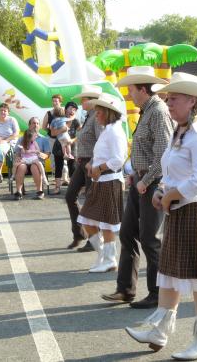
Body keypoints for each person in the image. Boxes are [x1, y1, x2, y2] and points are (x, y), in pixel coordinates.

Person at [125, 73, 197, 360]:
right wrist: (162, 189)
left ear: (192, 101)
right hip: (179, 210)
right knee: (170, 275)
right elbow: (172, 170)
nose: (168, 102)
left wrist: (171, 195)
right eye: (168, 97)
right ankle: (158, 331)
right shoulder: (180, 132)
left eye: (174, 98)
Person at [102, 66, 173, 309]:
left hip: (151, 181)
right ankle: (125, 289)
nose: (129, 94)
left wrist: (145, 179)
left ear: (143, 89)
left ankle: (158, 292)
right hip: (141, 179)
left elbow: (164, 153)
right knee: (128, 233)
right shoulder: (147, 110)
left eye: (131, 90)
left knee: (149, 238)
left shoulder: (158, 112)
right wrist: (136, 175)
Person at [77, 93, 127, 273]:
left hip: (110, 181)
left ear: (107, 112)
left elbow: (118, 159)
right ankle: (103, 256)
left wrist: (99, 168)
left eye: (99, 111)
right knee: (87, 219)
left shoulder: (115, 131)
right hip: (102, 181)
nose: (96, 114)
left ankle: (109, 259)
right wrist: (92, 163)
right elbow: (102, 154)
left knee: (106, 224)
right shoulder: (108, 129)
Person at [65, 85, 104, 250]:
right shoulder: (89, 116)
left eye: (85, 99)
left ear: (93, 100)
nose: (82, 102)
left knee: (90, 201)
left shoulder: (97, 117)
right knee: (70, 196)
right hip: (82, 162)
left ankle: (94, 238)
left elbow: (102, 142)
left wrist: (94, 161)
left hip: (91, 163)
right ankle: (80, 233)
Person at [13, 117, 51, 200]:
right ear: (29, 125)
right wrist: (18, 157)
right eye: (33, 123)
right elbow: (16, 152)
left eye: (37, 123)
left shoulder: (44, 139)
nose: (35, 125)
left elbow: (47, 155)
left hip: (37, 162)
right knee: (21, 166)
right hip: (24, 161)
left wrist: (39, 154)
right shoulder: (21, 139)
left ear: (39, 126)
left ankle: (39, 191)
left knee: (34, 166)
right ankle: (19, 192)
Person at [50, 101, 81, 195]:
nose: (72, 111)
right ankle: (57, 187)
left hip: (72, 145)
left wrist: (73, 140)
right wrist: (62, 129)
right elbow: (52, 133)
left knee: (73, 167)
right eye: (71, 108)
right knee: (58, 167)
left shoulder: (76, 120)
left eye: (74, 109)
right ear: (65, 109)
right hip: (59, 146)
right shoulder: (58, 119)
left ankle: (73, 188)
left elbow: (81, 133)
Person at [0, 102, 19, 183]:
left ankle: (16, 174)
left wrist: (6, 140)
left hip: (11, 142)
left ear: (8, 112)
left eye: (5, 111)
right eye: (1, 110)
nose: (3, 112)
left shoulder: (12, 120)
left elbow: (16, 133)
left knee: (17, 152)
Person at [42, 93, 63, 184]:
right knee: (54, 158)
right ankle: (56, 177)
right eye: (53, 101)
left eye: (56, 101)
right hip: (52, 139)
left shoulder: (64, 111)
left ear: (60, 102)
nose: (54, 103)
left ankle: (65, 178)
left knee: (64, 157)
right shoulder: (49, 113)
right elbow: (43, 126)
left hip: (63, 138)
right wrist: (51, 131)